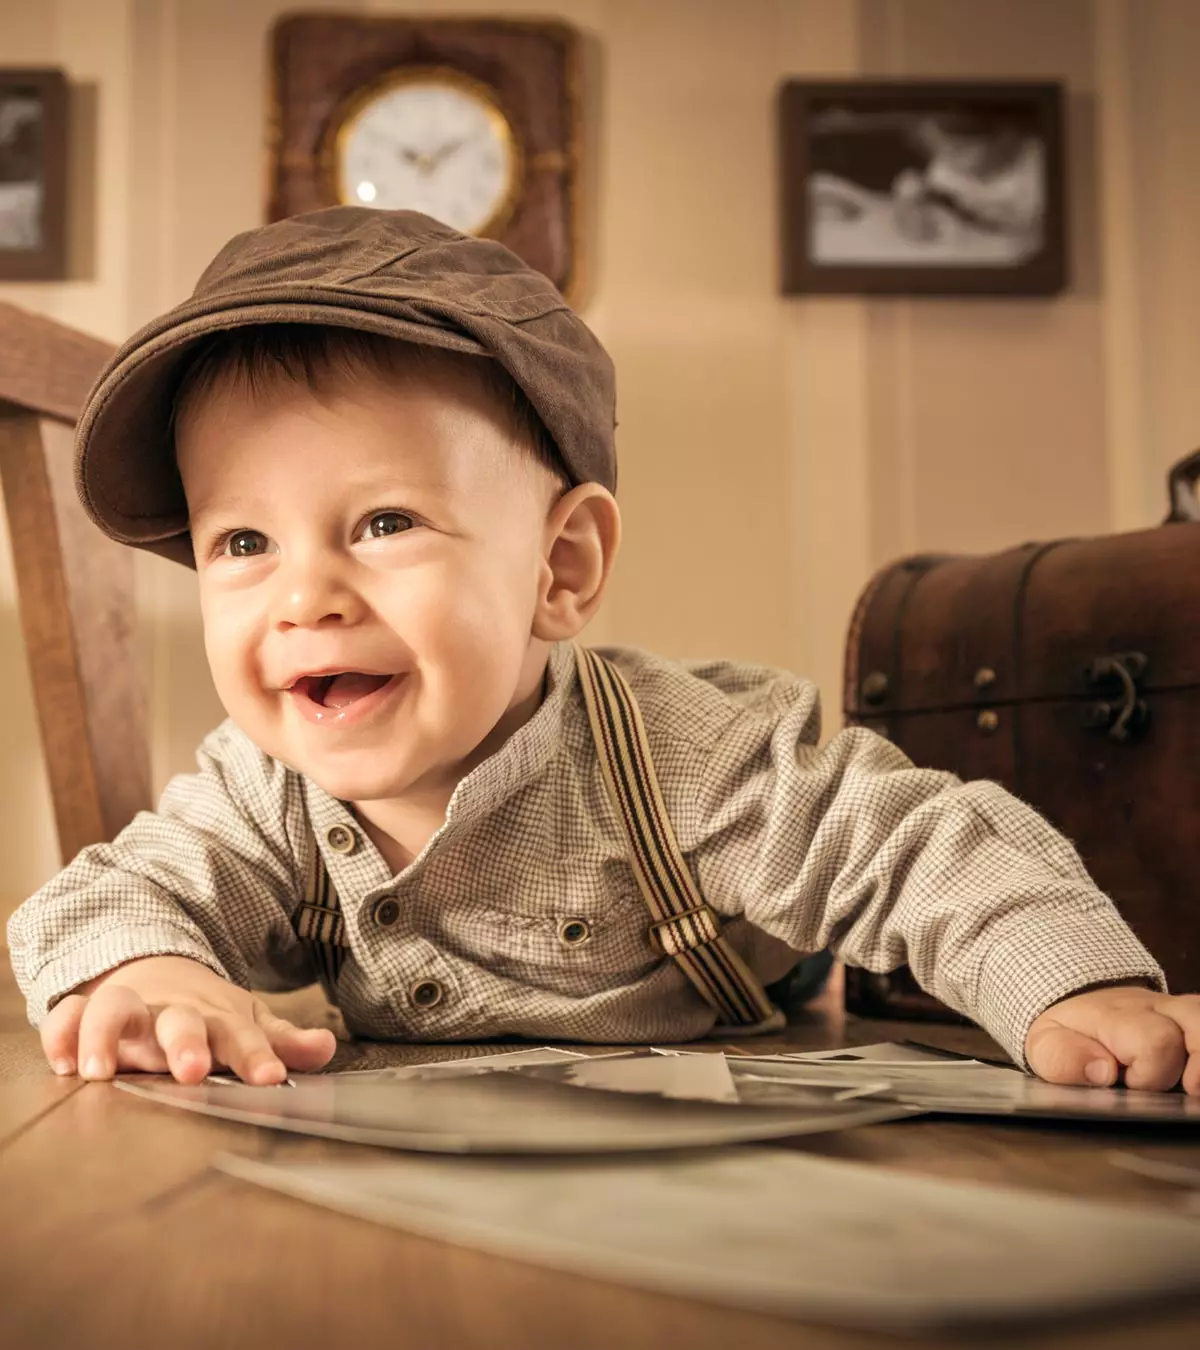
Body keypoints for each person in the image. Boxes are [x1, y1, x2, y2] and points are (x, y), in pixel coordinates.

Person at [7, 208, 1196, 1095]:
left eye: (383, 524)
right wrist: (143, 974)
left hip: (720, 1088)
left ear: (560, 568)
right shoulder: (264, 794)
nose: (305, 596)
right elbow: (109, 894)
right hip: (432, 1160)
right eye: (243, 541)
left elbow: (915, 845)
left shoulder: (682, 762)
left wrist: (1071, 985)